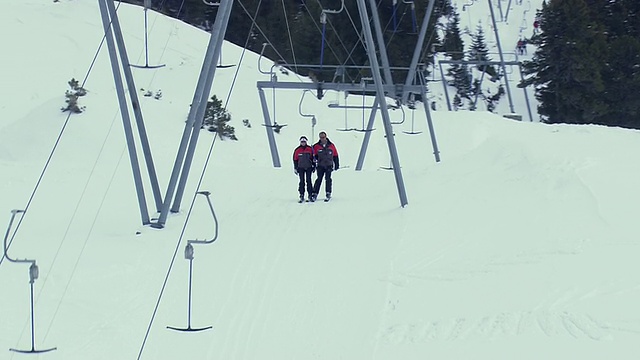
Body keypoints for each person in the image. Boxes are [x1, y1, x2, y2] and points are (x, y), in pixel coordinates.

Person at [311, 131, 339, 202]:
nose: (322, 139)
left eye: (323, 137)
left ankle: (328, 192)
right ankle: (315, 193)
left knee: (328, 179)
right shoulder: (316, 146)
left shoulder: (331, 145)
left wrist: (336, 164)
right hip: (320, 165)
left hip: (329, 165)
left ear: (326, 137)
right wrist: (314, 163)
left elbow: (335, 155)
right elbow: (313, 156)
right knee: (319, 179)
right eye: (321, 137)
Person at [293, 136, 315, 202]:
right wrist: (295, 168)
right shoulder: (297, 150)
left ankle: (310, 194)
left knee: (309, 181)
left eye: (304, 142)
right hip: (301, 167)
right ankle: (301, 194)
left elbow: (313, 158)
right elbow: (295, 159)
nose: (303, 143)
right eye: (302, 142)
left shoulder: (310, 149)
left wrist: (314, 166)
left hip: (309, 167)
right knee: (301, 181)